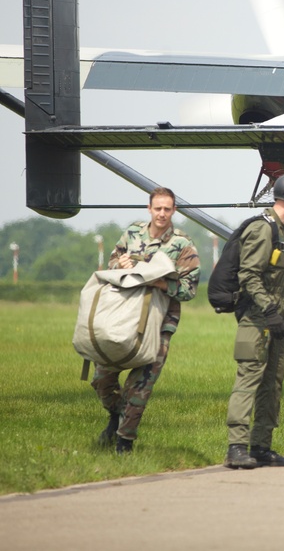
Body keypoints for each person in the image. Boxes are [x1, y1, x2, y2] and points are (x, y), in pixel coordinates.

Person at [92, 187, 200, 454]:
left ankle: (124, 442)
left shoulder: (183, 245)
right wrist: (121, 264)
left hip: (160, 323)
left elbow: (189, 290)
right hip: (123, 316)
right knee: (102, 377)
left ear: (174, 210)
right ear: (149, 209)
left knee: (140, 385)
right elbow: (112, 261)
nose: (162, 213)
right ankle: (115, 416)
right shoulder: (132, 233)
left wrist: (162, 283)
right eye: (157, 208)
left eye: (167, 209)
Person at [223, 174, 284, 469]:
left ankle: (261, 447)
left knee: (272, 386)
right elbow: (249, 276)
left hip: (275, 323)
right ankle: (236, 448)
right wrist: (270, 311)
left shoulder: (283, 231)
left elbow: (278, 284)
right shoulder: (263, 229)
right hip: (255, 322)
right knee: (248, 382)